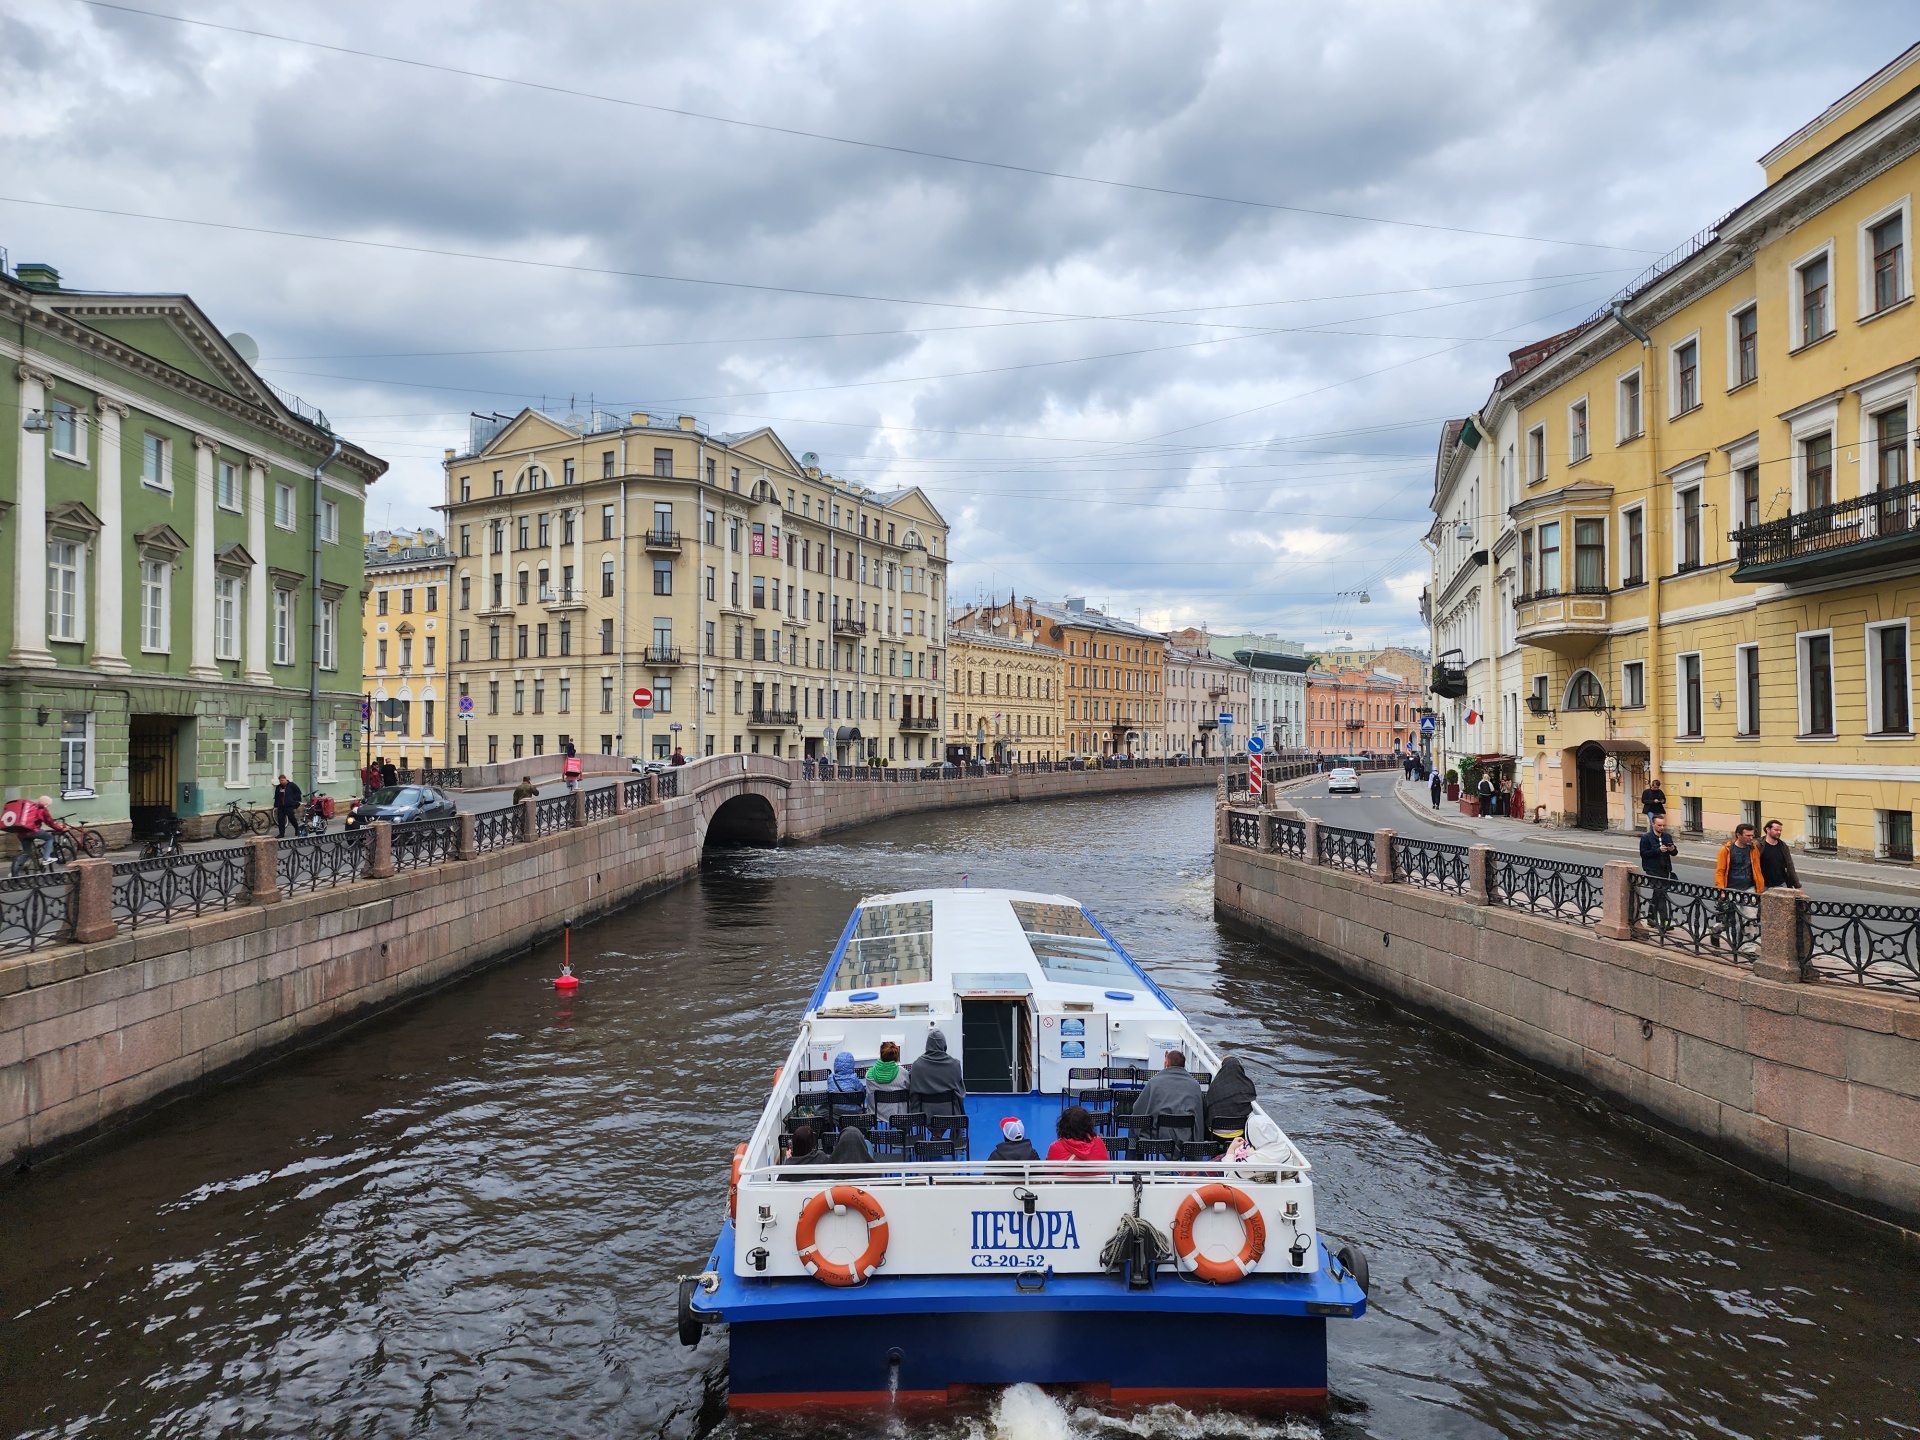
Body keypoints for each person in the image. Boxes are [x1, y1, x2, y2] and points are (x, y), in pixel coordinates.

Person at [1129, 1050, 1205, 1138]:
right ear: (1183, 1065)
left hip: (1158, 1135)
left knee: (1133, 1121)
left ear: (1167, 1063)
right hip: (1186, 1137)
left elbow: (1138, 1108)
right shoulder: (1195, 1085)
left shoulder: (1154, 1082)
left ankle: (1133, 1151)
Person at [906, 1029, 966, 1114]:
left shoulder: (917, 1065)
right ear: (944, 1044)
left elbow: (912, 1092)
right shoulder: (955, 1065)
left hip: (923, 1114)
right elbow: (960, 1091)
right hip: (950, 1112)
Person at [1204, 1055, 1257, 1142]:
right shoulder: (1246, 1086)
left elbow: (1207, 1105)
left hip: (1215, 1133)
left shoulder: (1215, 1086)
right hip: (1239, 1133)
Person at [1640, 813, 1678, 931]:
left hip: (1665, 869)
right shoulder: (1646, 838)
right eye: (1659, 825)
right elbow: (1644, 853)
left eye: (1663, 825)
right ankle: (1665, 922)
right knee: (1661, 893)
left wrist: (1672, 849)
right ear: (1653, 824)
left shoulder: (1666, 837)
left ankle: (1651, 918)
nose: (1662, 828)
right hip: (1652, 869)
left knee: (1657, 894)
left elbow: (1675, 853)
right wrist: (1657, 850)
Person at [864, 1040, 910, 1120]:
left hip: (876, 1117)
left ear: (881, 1055)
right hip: (899, 1117)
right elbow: (909, 1090)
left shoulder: (869, 1074)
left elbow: (868, 1095)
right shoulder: (903, 1073)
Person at [1757, 819, 1801, 891]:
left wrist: (1797, 886)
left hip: (1780, 883)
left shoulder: (1783, 846)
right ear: (1768, 829)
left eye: (1780, 830)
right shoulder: (1759, 845)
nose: (1779, 832)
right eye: (1776, 830)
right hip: (1763, 884)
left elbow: (1790, 866)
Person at [272, 772, 303, 838]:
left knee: (292, 818)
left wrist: (293, 800)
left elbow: (298, 793)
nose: (281, 782)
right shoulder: (278, 787)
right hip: (281, 806)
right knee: (281, 820)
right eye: (280, 781)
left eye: (282, 780)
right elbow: (277, 796)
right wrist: (276, 805)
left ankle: (297, 828)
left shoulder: (292, 785)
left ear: (286, 779)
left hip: (289, 805)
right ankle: (281, 834)